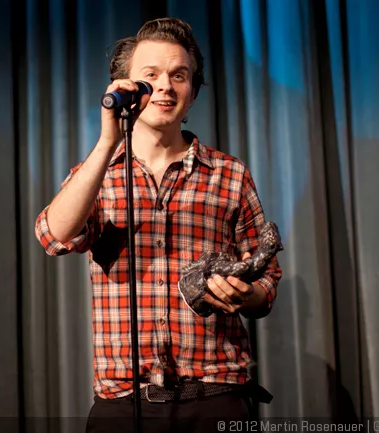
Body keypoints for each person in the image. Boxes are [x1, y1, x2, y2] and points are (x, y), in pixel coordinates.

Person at [34, 17, 282, 433]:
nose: (165, 86)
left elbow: (267, 282)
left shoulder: (229, 173)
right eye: (150, 76)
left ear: (193, 92)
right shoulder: (97, 174)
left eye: (179, 76)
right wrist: (108, 141)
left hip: (215, 398)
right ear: (126, 88)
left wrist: (247, 294)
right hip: (123, 404)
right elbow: (53, 237)